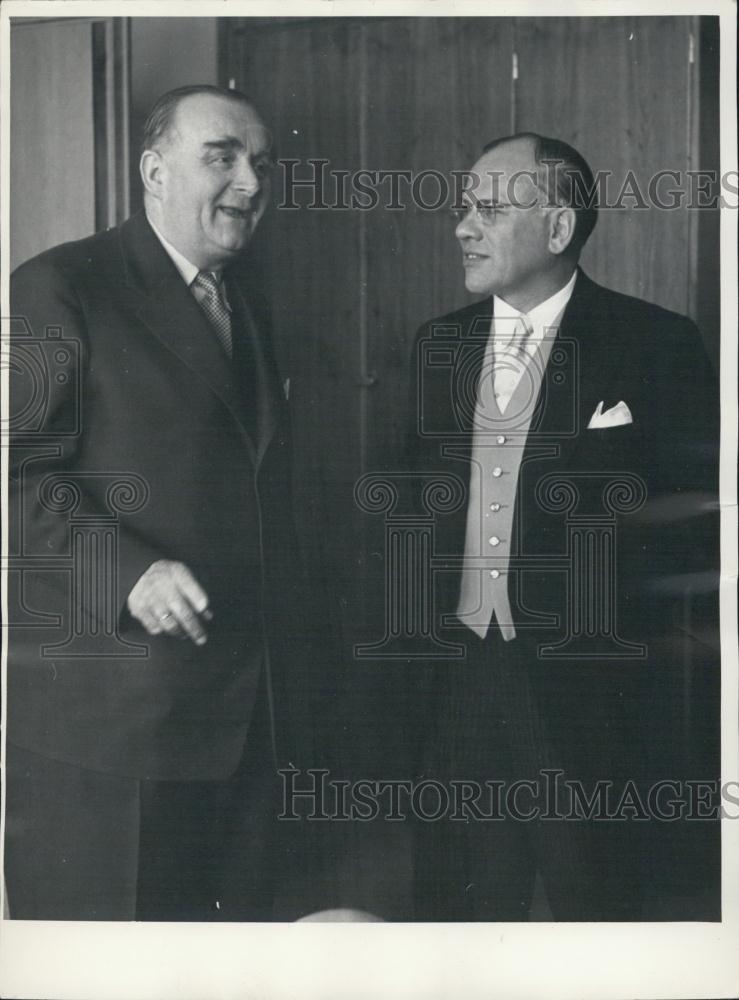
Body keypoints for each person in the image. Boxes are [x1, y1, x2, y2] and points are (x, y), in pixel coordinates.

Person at [5, 84, 315, 920]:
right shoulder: (57, 284)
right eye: (222, 157)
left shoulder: (245, 300)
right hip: (114, 730)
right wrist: (128, 571)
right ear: (152, 169)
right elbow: (14, 473)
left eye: (260, 163)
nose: (250, 182)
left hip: (247, 719)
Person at [407, 133, 720, 921]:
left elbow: (693, 533)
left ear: (555, 228)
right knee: (456, 910)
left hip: (591, 695)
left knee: (597, 908)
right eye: (461, 207)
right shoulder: (434, 346)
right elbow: (410, 511)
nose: (461, 226)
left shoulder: (657, 343)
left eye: (486, 208)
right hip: (453, 682)